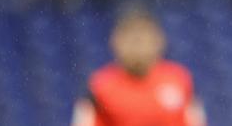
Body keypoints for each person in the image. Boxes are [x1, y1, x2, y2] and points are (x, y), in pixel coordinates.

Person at [71, 9, 206, 126]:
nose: (137, 46)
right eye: (131, 39)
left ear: (159, 41)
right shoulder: (99, 87)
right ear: (115, 42)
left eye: (143, 38)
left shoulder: (180, 80)